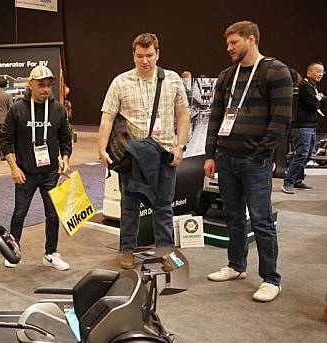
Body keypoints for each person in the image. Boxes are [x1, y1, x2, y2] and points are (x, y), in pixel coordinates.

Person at [204, 20, 293, 302]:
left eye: (234, 43)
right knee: (233, 216)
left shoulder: (275, 71)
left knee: (261, 219)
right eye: (227, 43)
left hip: (254, 161)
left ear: (251, 40)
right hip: (226, 157)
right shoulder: (226, 75)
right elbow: (215, 116)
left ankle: (271, 279)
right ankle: (236, 265)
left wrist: (261, 154)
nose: (228, 48)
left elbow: (281, 119)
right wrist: (210, 153)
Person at [97, 33, 190, 269]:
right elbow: (107, 119)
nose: (145, 60)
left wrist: (180, 146)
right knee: (129, 205)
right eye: (140, 55)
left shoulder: (172, 79)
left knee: (163, 205)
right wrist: (101, 149)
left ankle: (166, 251)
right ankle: (127, 250)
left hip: (164, 153)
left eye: (149, 55)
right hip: (133, 155)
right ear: (133, 55)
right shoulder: (120, 82)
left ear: (158, 53)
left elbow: (183, 114)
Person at [0, 65, 72, 270]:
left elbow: (66, 139)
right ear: (30, 85)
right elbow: (5, 139)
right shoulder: (17, 109)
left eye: (48, 85)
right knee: (20, 213)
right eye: (41, 85)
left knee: (52, 214)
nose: (45, 90)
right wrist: (14, 167)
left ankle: (51, 253)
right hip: (25, 172)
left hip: (50, 173)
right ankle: (12, 250)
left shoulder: (58, 109)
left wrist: (65, 160)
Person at [282, 61, 326, 193]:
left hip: (311, 126)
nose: (320, 74)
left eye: (322, 72)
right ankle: (288, 182)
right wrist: (318, 100)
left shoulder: (313, 88)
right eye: (317, 71)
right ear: (309, 72)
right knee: (301, 154)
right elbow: (314, 105)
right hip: (302, 126)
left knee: (307, 154)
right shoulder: (304, 87)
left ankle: (297, 180)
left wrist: (319, 99)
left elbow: (320, 103)